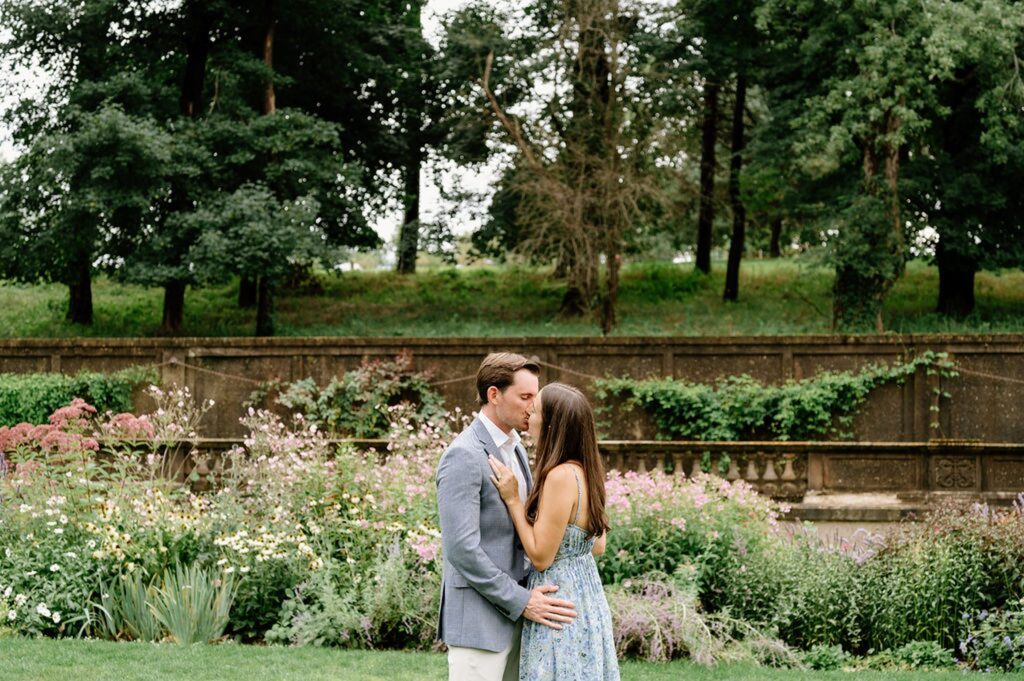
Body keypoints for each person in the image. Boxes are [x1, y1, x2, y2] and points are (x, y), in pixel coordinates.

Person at [436, 353, 578, 681]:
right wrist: (522, 601)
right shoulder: (463, 455)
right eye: (525, 397)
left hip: (519, 617)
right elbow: (462, 550)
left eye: (535, 397)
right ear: (494, 395)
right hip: (479, 622)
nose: (532, 407)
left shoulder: (515, 447)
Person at [488, 382, 619, 681]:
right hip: (588, 598)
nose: (528, 414)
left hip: (557, 601)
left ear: (551, 425)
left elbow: (541, 557)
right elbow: (597, 546)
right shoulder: (588, 472)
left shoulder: (559, 477)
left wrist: (513, 500)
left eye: (534, 410)